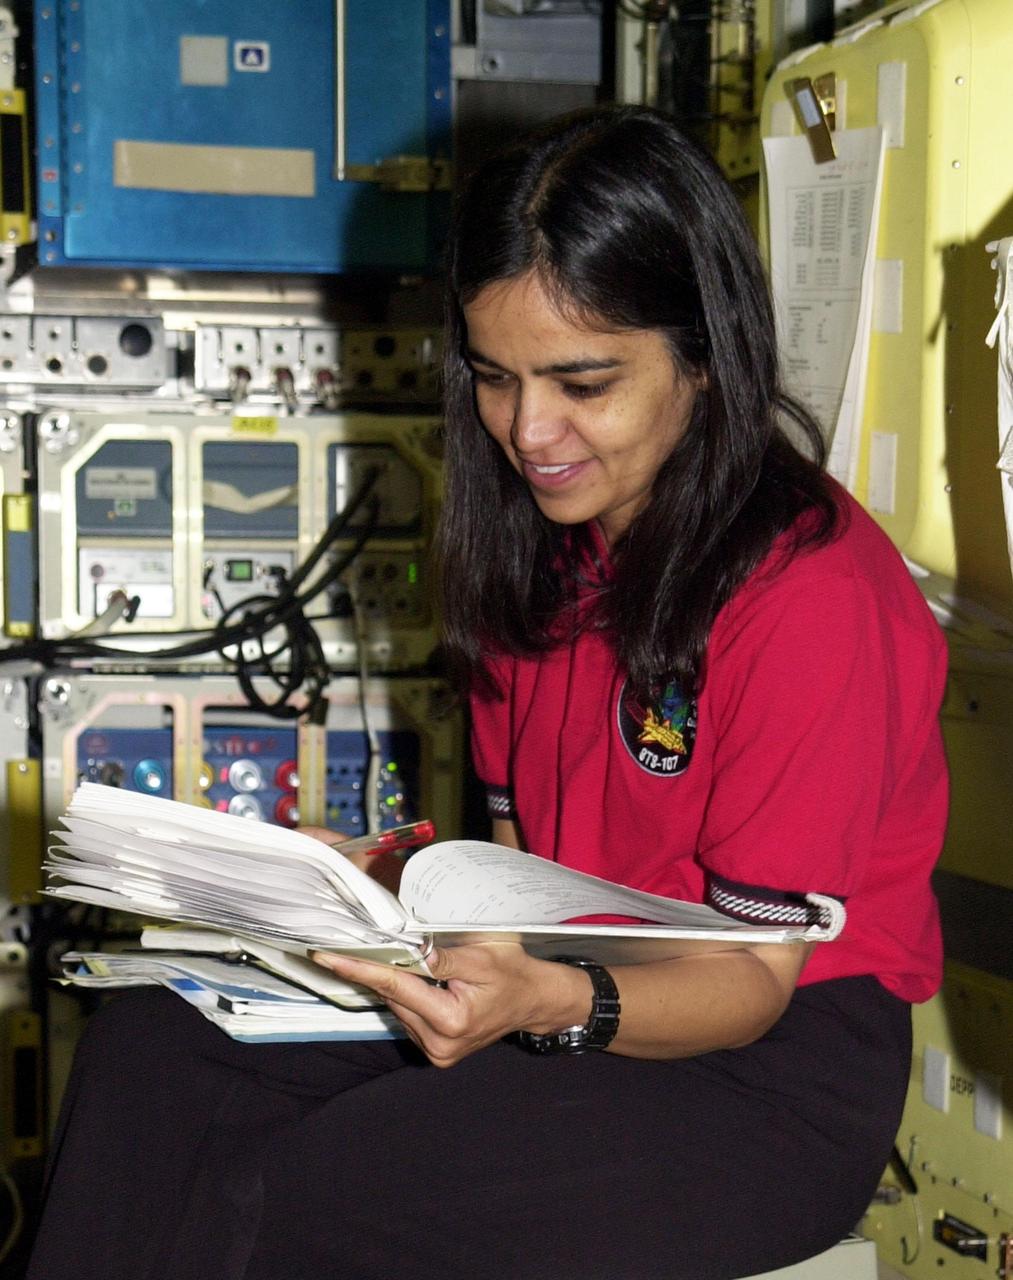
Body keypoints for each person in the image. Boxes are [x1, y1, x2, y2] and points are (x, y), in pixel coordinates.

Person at [26, 106, 947, 1280]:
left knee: (306, 1182)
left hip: (763, 1065)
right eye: (494, 377)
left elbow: (752, 984)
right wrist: (371, 891)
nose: (526, 430)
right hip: (561, 986)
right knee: (153, 1056)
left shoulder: (807, 593)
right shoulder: (546, 553)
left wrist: (546, 999)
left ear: (705, 354)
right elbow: (521, 872)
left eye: (582, 381)